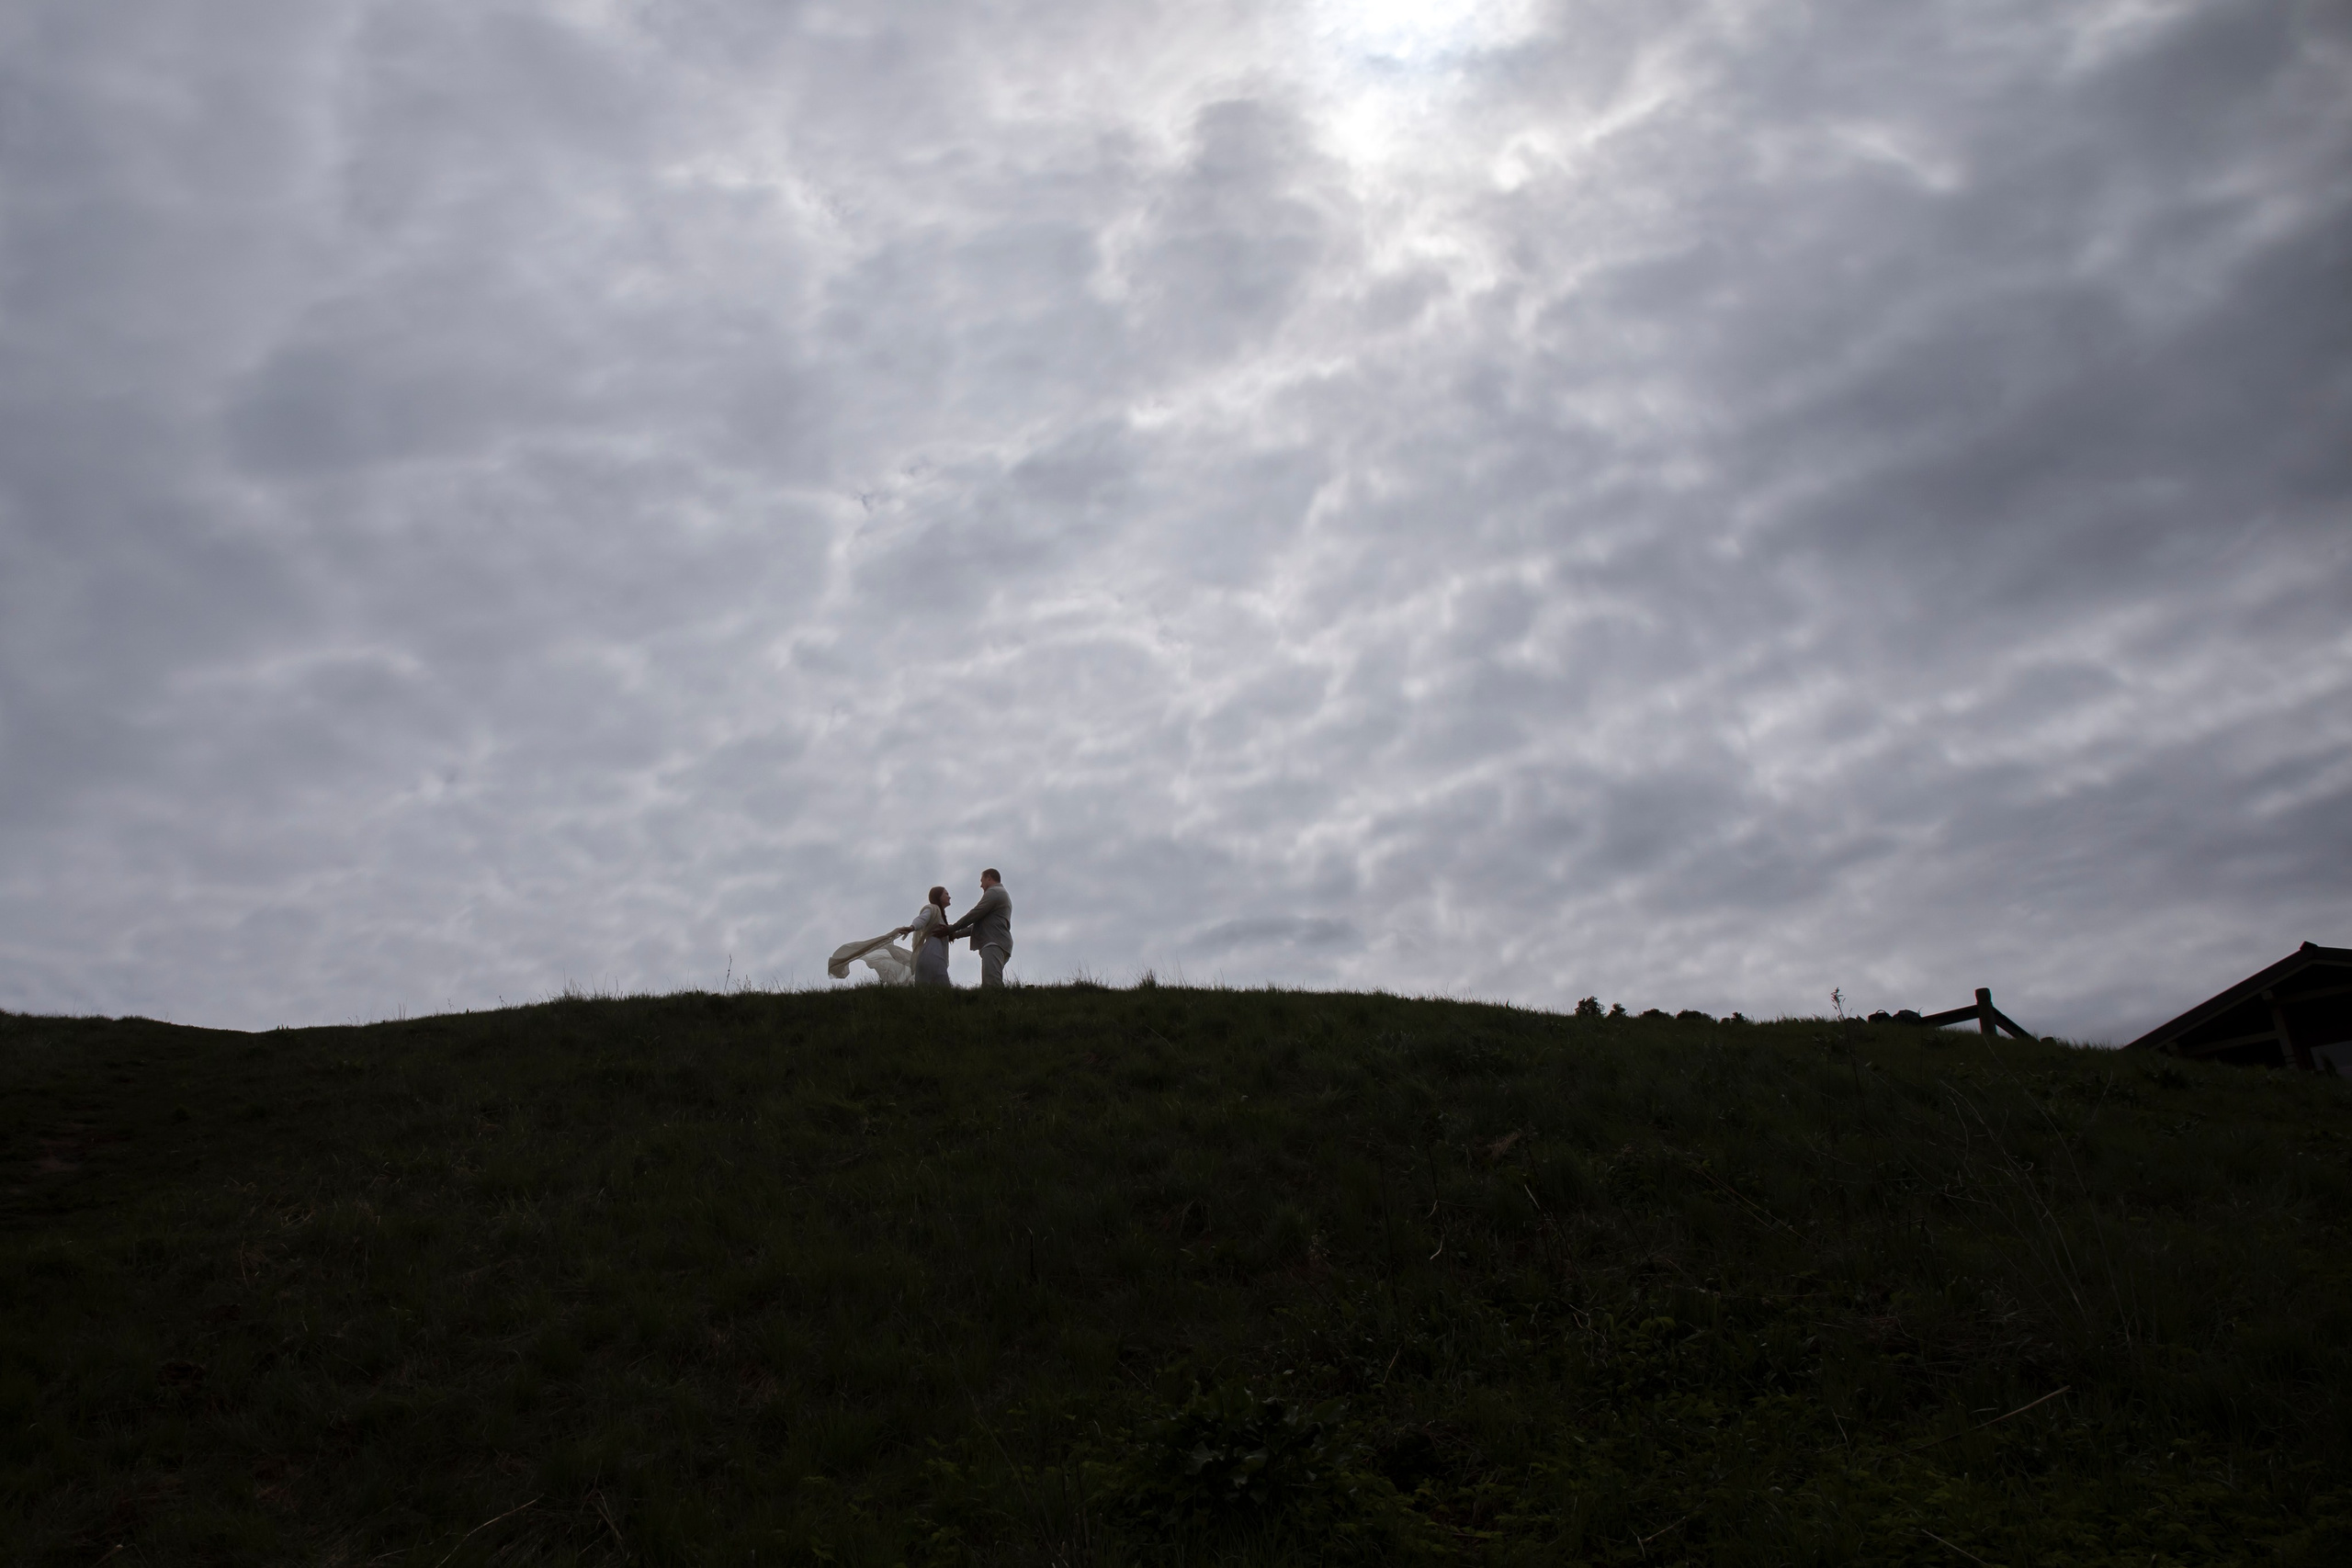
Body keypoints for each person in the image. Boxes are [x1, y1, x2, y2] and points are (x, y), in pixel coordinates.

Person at [940, 868, 1012, 987]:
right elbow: (977, 925)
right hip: (998, 943)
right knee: (992, 982)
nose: (981, 885)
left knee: (992, 985)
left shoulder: (995, 892)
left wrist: (951, 928)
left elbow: (974, 914)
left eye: (982, 881)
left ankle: (996, 1005)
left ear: (989, 878)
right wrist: (954, 935)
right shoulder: (1000, 893)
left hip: (994, 943)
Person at [909, 885, 954, 987]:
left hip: (934, 953)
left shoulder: (940, 915)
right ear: (938, 896)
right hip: (932, 953)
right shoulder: (932, 909)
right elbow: (922, 919)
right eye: (946, 894)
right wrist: (912, 927)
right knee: (942, 988)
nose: (949, 896)